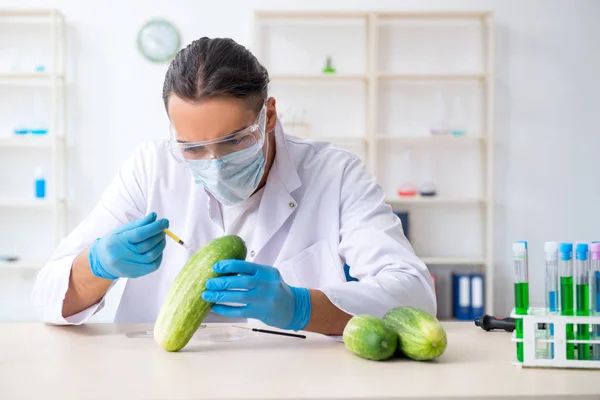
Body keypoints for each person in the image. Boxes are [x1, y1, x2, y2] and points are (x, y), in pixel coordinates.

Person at [32, 37, 435, 335]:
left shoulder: (336, 174)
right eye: (192, 147)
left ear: (269, 115)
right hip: (162, 381)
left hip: (293, 377)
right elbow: (46, 295)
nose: (215, 162)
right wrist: (97, 265)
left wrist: (300, 307)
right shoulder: (151, 168)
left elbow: (416, 295)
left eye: (232, 141)